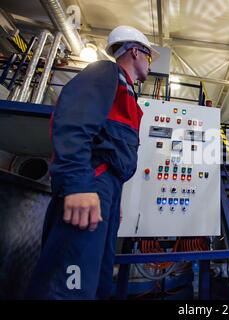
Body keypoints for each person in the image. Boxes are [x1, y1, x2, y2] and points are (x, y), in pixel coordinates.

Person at [26, 26, 159, 299]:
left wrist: (113, 199)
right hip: (90, 181)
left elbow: (112, 150)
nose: (150, 64)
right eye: (149, 57)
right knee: (71, 280)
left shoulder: (129, 95)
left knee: (98, 278)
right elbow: (73, 122)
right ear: (135, 51)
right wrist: (78, 185)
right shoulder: (104, 73)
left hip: (106, 189)